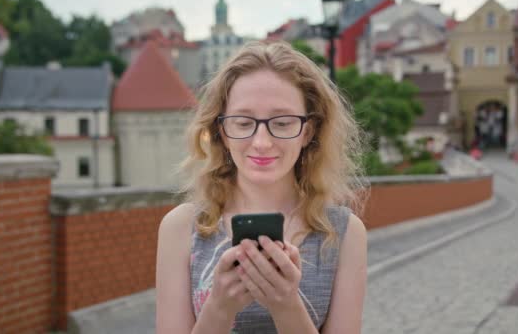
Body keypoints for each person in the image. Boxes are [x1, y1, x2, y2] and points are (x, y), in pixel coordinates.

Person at [156, 41, 368, 333]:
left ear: (307, 132)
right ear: (222, 131)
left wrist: (286, 306)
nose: (262, 142)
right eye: (243, 123)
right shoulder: (181, 228)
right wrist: (219, 308)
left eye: (281, 123)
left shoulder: (344, 232)